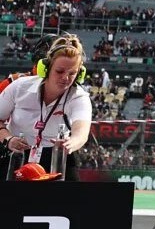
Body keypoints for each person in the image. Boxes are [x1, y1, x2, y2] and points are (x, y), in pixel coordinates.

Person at [0, 34, 93, 181]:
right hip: (16, 150)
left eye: (72, 73)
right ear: (46, 68)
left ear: (80, 74)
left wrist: (70, 144)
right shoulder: (19, 87)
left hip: (58, 154)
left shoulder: (79, 97)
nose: (65, 78)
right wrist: (8, 139)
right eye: (59, 71)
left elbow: (81, 132)